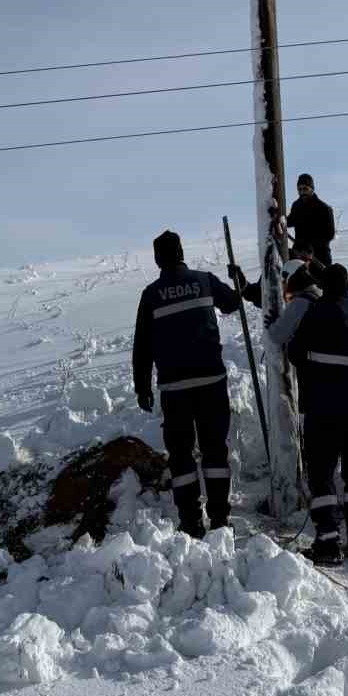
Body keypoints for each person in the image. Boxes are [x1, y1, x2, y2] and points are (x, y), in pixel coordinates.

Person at [132, 230, 244, 537]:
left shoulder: (152, 295)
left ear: (157, 260)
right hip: (211, 382)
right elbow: (233, 303)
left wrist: (142, 387)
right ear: (182, 252)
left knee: (181, 455)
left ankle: (192, 522)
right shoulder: (204, 280)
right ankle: (220, 519)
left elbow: (142, 346)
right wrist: (239, 281)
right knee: (214, 451)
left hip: (175, 389)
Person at [287, 261, 348, 565]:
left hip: (323, 409)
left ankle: (328, 541)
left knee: (322, 474)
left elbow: (294, 353)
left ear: (325, 286)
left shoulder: (313, 312)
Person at [284, 174, 336, 267]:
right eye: (299, 189)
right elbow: (290, 221)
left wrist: (310, 247)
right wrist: (279, 218)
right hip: (299, 254)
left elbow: (330, 234)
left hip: (320, 257)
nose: (302, 192)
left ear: (312, 189)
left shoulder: (324, 208)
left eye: (305, 189)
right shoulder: (297, 206)